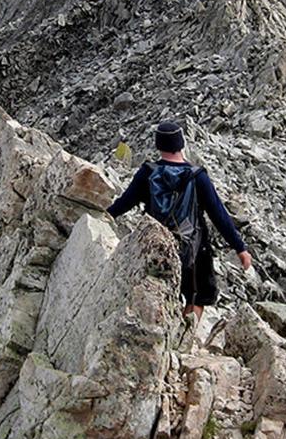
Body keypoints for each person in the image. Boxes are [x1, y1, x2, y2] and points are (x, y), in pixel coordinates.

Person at [108, 120, 252, 322]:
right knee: (199, 295)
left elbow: (124, 203)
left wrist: (102, 215)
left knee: (157, 292)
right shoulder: (197, 176)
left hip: (155, 245)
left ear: (159, 145)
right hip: (192, 249)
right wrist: (240, 248)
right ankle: (182, 339)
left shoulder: (147, 173)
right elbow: (218, 214)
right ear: (181, 143)